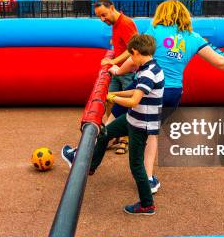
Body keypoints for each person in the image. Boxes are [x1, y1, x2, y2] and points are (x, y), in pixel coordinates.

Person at [109, 0, 224, 193]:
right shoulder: (193, 37)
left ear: (161, 13)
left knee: (111, 120)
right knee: (151, 134)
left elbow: (133, 59)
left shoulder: (154, 31)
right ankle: (148, 178)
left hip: (147, 86)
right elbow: (220, 62)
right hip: (172, 92)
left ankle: (83, 154)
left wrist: (118, 71)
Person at [62, 34, 163, 215]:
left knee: (136, 166)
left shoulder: (148, 73)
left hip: (141, 123)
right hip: (134, 118)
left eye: (131, 56)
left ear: (136, 52)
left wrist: (114, 97)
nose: (130, 60)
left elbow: (134, 101)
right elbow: (135, 91)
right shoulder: (148, 66)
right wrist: (114, 96)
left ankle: (147, 205)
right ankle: (91, 167)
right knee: (105, 132)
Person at [94, 0, 138, 154]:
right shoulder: (115, 24)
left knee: (127, 105)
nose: (102, 19)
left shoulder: (126, 23)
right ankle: (113, 134)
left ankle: (125, 139)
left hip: (128, 72)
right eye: (99, 16)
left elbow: (133, 48)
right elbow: (121, 45)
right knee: (109, 100)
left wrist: (112, 60)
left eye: (104, 15)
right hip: (117, 71)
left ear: (112, 8)